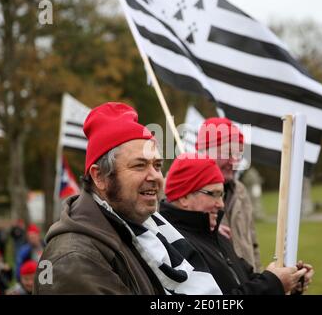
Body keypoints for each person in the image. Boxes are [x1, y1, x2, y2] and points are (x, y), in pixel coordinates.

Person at [34, 102, 221, 295]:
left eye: (157, 166)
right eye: (139, 166)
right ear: (99, 177)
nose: (155, 176)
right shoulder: (73, 259)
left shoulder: (145, 230)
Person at [160, 154, 313, 294]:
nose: (221, 204)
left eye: (222, 195)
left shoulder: (216, 235)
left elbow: (247, 281)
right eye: (213, 194)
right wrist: (273, 283)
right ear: (184, 197)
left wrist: (288, 281)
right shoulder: (173, 245)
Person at [196, 117, 261, 271]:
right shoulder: (184, 193)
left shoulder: (240, 191)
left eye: (238, 154)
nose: (234, 161)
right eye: (228, 153)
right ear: (205, 151)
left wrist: (261, 281)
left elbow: (253, 245)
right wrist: (199, 225)